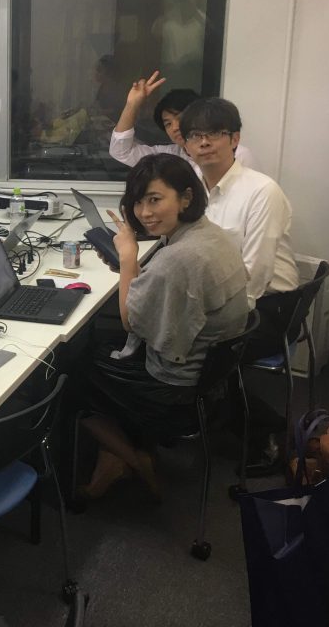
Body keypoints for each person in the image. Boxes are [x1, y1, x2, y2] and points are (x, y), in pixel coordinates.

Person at [71, 154, 248, 498]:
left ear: (186, 197)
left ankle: (134, 460)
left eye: (155, 200)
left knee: (71, 376)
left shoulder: (179, 259)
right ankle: (114, 455)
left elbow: (131, 322)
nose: (144, 212)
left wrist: (127, 259)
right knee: (97, 346)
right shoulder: (210, 235)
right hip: (210, 378)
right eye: (138, 202)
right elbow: (162, 295)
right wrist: (130, 270)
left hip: (174, 389)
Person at [180, 97, 300, 471]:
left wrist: (210, 321)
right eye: (194, 135)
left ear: (234, 139)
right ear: (185, 145)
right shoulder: (192, 192)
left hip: (269, 306)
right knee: (170, 336)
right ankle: (205, 415)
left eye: (215, 133)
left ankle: (269, 432)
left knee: (196, 352)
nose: (204, 143)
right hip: (220, 298)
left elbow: (255, 274)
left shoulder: (261, 191)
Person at [109, 71, 258, 172]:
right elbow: (122, 152)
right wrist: (132, 105)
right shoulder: (170, 156)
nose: (175, 127)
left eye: (180, 119)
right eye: (168, 124)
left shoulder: (237, 154)